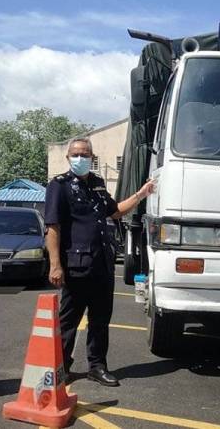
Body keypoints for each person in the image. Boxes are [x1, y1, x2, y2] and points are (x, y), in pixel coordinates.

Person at [45, 137, 154, 387]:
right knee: (69, 321)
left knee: (100, 320)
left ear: (92, 159)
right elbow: (52, 227)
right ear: (68, 157)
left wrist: (141, 194)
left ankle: (97, 366)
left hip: (102, 265)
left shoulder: (97, 184)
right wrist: (55, 264)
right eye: (75, 154)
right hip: (76, 265)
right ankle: (61, 366)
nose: (80, 158)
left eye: (85, 154)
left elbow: (114, 211)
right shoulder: (58, 186)